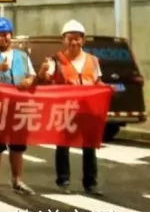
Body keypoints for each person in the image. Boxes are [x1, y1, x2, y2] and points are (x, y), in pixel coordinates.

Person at [40, 19, 104, 196]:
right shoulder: (55, 60)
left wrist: (107, 89)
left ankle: (90, 183)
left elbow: (97, 81)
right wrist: (43, 71)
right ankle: (63, 180)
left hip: (88, 110)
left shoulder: (93, 60)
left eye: (77, 38)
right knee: (63, 145)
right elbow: (46, 77)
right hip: (65, 110)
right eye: (70, 38)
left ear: (83, 40)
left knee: (89, 146)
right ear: (64, 40)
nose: (74, 42)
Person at [0, 17, 35, 196]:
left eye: (5, 34)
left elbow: (32, 75)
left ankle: (17, 180)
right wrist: (0, 67)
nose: (2, 38)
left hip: (18, 106)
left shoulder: (22, 56)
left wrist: (29, 81)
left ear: (11, 34)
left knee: (18, 145)